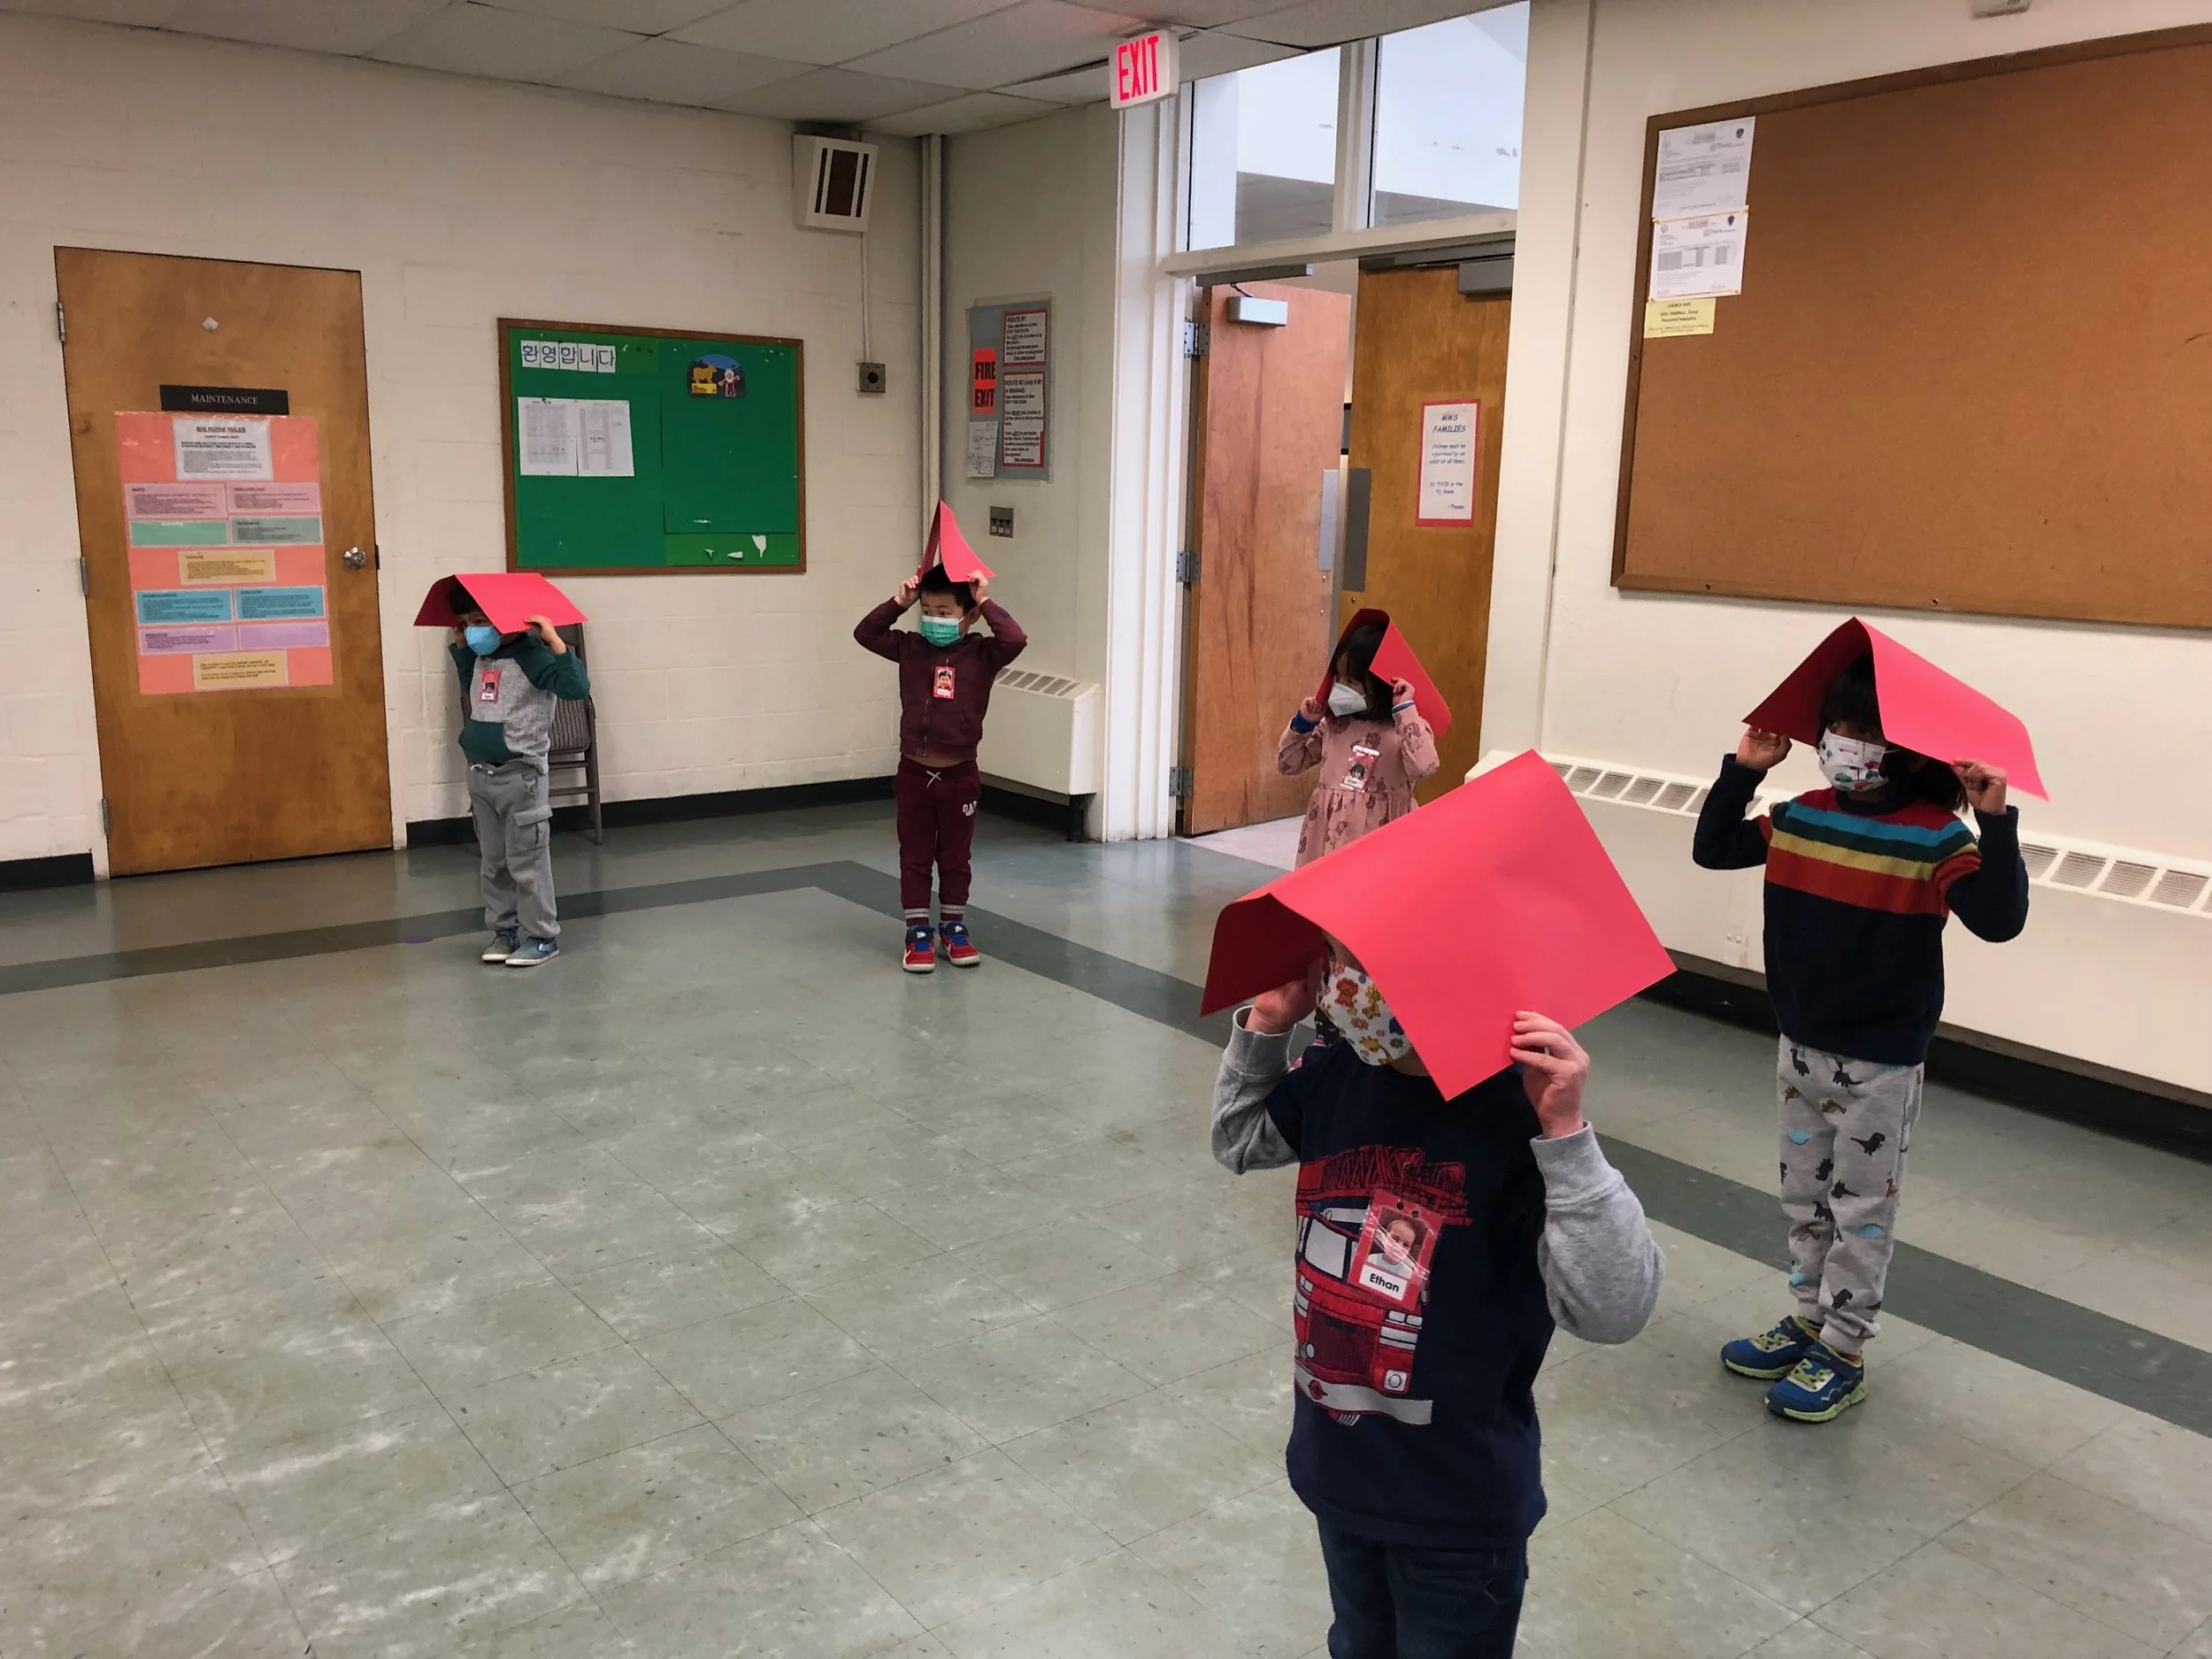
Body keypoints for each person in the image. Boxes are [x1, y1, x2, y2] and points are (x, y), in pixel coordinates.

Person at [1212, 948, 1663, 1659]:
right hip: (1340, 1472)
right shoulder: (1335, 1074)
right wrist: (1266, 1023)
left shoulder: (1523, 1117)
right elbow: (1238, 1140)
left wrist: (1568, 1135)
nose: (1347, 980)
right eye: (1340, 955)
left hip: (1458, 1508)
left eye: (1367, 961)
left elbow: (1614, 1308)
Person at [1693, 652, 2027, 1422]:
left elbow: (2000, 920)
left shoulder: (1937, 837)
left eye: (1863, 731)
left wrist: (1996, 822)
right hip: (1800, 1043)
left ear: (1905, 749)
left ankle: (1843, 1346)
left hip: (1880, 1059)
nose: (1845, 743)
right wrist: (1743, 771)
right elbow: (1714, 848)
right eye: (1836, 728)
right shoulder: (1802, 813)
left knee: (1862, 1205)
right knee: (1803, 1193)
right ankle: (1809, 1317)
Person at [855, 564, 1026, 972]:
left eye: (945, 612)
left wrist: (984, 600)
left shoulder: (983, 653)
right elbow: (866, 634)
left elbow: (1015, 638)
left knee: (955, 857)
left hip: (960, 775)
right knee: (914, 855)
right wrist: (899, 603)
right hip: (914, 775)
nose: (935, 620)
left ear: (967, 616)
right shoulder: (909, 647)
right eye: (928, 611)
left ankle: (953, 927)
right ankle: (917, 933)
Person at [450, 609, 590, 968]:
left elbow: (576, 688)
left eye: (481, 621)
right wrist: (462, 648)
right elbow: (471, 690)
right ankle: (504, 931)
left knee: (527, 862)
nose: (473, 630)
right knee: (493, 862)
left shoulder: (534, 657)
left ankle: (543, 936)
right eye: (467, 622)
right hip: (481, 773)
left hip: (521, 775)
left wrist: (555, 642)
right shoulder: (482, 657)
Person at [1279, 622, 1440, 867]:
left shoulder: (1405, 729)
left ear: (1380, 685)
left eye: (1351, 681)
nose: (1341, 687)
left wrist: (1406, 710)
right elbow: (1288, 764)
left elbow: (1425, 766)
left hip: (1383, 848)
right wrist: (1303, 724)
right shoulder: (1333, 725)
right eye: (1338, 678)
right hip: (1326, 843)